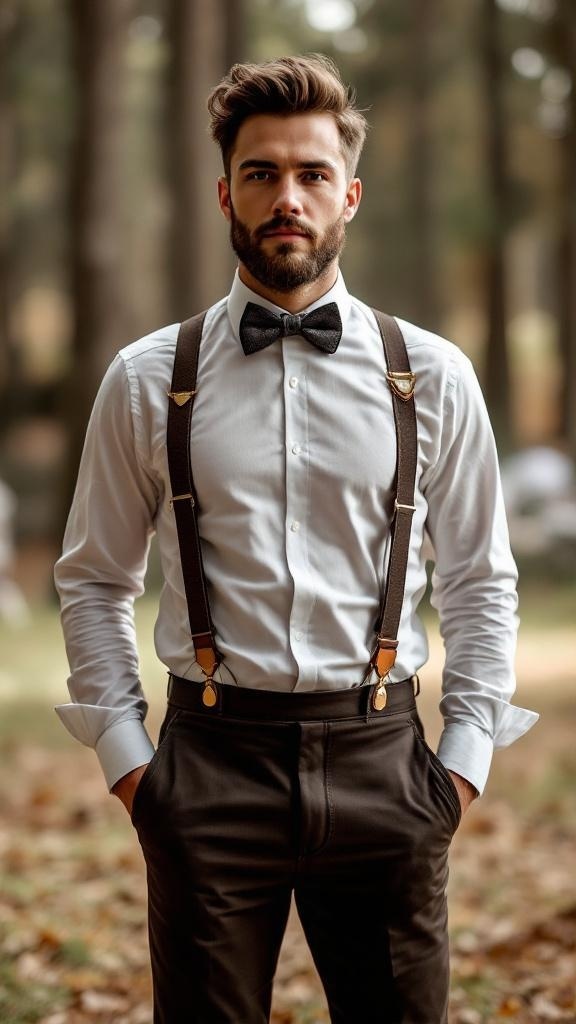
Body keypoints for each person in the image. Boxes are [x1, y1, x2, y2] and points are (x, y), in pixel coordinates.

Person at [54, 54, 538, 1024]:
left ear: (349, 195)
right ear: (224, 189)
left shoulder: (434, 376)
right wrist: (130, 761)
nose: (288, 197)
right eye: (263, 172)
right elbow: (96, 577)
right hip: (207, 766)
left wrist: (464, 761)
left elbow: (482, 576)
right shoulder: (147, 379)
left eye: (312, 174)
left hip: (386, 761)